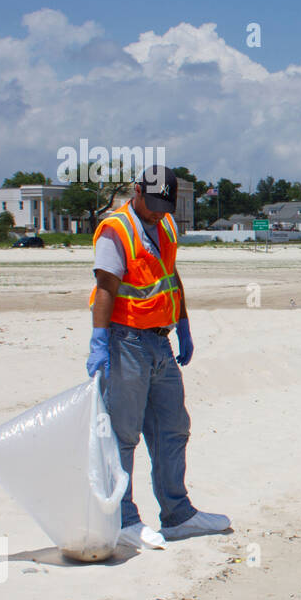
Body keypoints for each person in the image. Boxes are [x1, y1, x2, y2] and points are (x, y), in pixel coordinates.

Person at [87, 166, 231, 550]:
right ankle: (123, 519)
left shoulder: (166, 224)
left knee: (173, 427)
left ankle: (178, 515)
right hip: (125, 342)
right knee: (123, 435)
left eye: (163, 206)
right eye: (150, 204)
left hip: (160, 342)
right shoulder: (115, 229)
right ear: (136, 191)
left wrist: (183, 322)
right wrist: (99, 340)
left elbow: (171, 275)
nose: (155, 212)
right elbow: (105, 288)